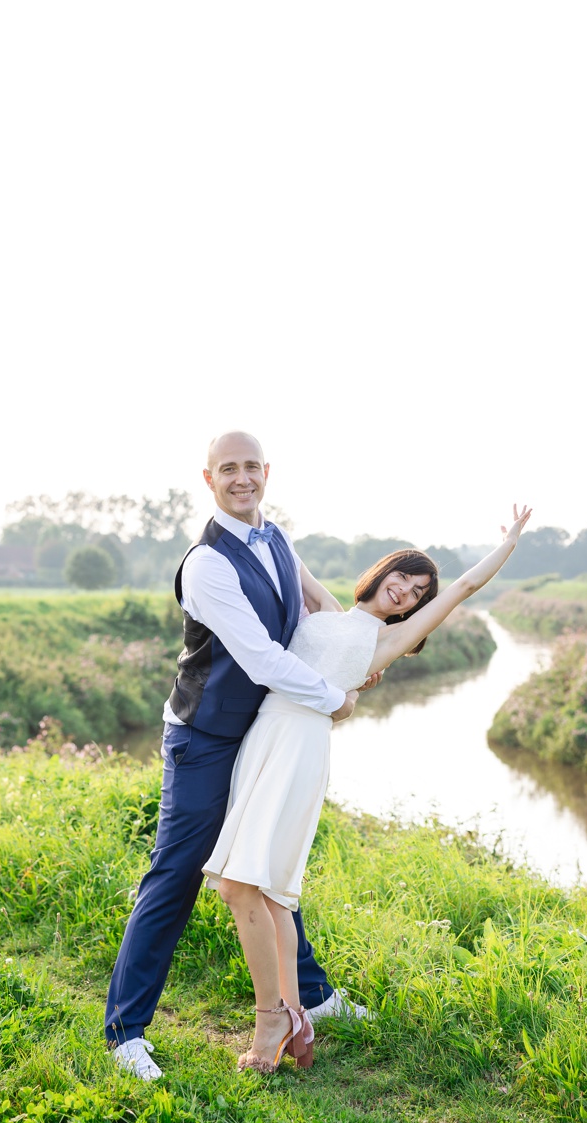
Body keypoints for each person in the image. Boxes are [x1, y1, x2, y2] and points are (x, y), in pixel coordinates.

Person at [202, 504, 532, 1071]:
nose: (407, 590)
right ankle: (295, 1016)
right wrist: (256, 508)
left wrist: (509, 544)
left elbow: (467, 585)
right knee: (272, 891)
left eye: (419, 590)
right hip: (264, 736)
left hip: (301, 745)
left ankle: (272, 1024)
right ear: (382, 572)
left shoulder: (389, 641)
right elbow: (287, 554)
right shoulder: (328, 609)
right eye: (403, 575)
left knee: (247, 884)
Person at [106, 430, 377, 1081]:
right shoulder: (206, 564)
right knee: (175, 874)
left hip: (262, 730)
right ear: (209, 478)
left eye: (251, 466)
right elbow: (258, 654)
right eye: (228, 468)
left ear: (266, 472)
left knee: (271, 860)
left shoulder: (277, 537)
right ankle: (126, 1031)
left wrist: (354, 653)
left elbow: (320, 604)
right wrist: (332, 696)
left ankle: (310, 995)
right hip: (204, 738)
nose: (242, 477)